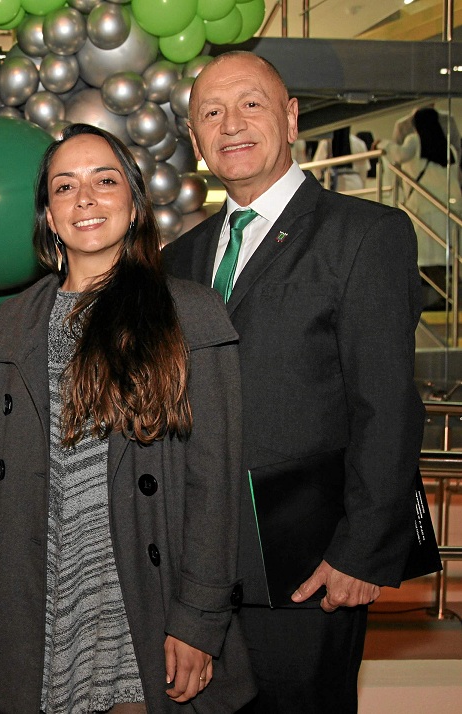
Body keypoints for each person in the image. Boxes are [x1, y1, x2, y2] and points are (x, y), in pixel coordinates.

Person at [0, 122, 256, 714]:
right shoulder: (15, 323)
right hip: (35, 594)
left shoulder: (188, 316)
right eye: (65, 186)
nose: (86, 199)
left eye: (105, 181)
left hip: (141, 597)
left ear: (135, 203)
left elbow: (215, 485)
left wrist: (199, 618)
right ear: (49, 216)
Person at [163, 51, 428, 713]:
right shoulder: (179, 259)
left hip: (311, 571)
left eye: (250, 104)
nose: (231, 124)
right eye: (211, 113)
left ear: (290, 117)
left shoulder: (365, 235)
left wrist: (363, 552)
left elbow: (387, 406)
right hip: (196, 575)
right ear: (194, 138)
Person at [379, 106, 462, 311]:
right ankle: (447, 298)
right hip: (447, 208)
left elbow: (398, 155)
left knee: (424, 257)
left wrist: (382, 144)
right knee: (444, 257)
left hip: (424, 209)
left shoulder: (415, 141)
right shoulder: (449, 148)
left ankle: (445, 299)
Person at [311, 127, 369, 192]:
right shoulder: (359, 143)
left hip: (335, 182)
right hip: (356, 182)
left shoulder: (327, 142)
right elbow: (363, 170)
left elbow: (317, 167)